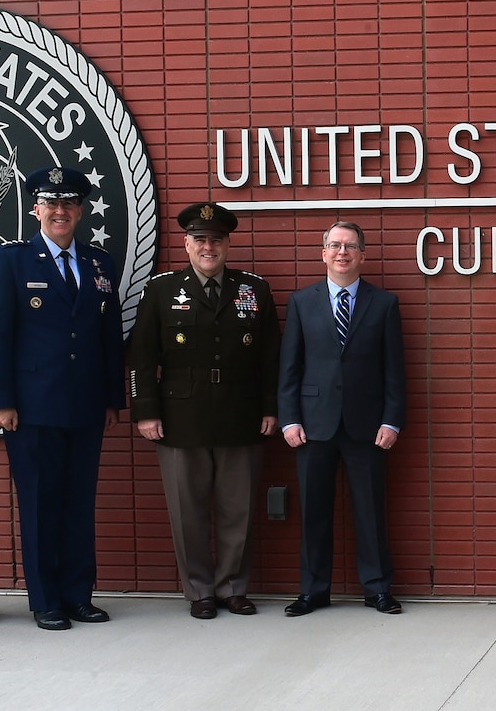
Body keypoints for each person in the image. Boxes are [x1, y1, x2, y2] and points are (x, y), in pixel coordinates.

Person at [0, 166, 126, 631]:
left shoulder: (99, 262)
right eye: (51, 203)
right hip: (31, 407)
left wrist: (112, 398)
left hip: (85, 405)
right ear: (35, 208)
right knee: (41, 504)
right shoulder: (12, 261)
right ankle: (46, 601)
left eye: (69, 204)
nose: (60, 211)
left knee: (80, 502)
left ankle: (79, 596)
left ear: (81, 210)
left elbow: (109, 337)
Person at [128, 203, 280, 619]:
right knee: (187, 510)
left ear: (227, 243)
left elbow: (271, 358)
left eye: (216, 239)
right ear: (187, 244)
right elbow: (141, 359)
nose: (208, 247)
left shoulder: (254, 289)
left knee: (239, 508)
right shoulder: (160, 289)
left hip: (241, 411)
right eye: (200, 240)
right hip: (181, 417)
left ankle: (233, 587)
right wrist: (145, 411)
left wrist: (270, 407)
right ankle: (200, 591)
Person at [278, 221, 408, 617]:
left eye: (350, 246)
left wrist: (392, 421)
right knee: (313, 512)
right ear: (323, 253)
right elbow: (290, 367)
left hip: (366, 427)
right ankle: (314, 590)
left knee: (370, 512)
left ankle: (377, 588)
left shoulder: (384, 304)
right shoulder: (302, 302)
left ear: (362, 255)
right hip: (313, 426)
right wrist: (289, 419)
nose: (342, 252)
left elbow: (394, 371)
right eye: (334, 245)